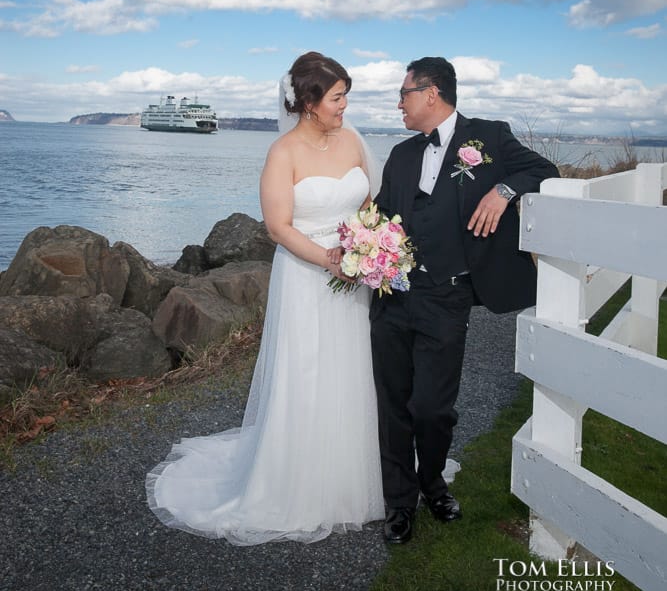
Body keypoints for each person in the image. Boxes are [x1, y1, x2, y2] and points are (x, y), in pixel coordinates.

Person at [146, 51, 384, 543]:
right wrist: (330, 259)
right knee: (306, 368)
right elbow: (278, 228)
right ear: (309, 102)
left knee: (349, 367)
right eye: (337, 98)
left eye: (346, 97)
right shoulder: (283, 153)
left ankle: (350, 477)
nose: (345, 106)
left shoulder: (355, 140)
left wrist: (367, 247)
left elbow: (367, 204)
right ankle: (294, 482)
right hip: (307, 273)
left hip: (350, 274)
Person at [371, 56, 559, 545]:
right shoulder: (400, 154)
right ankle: (399, 503)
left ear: (431, 94)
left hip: (447, 297)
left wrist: (502, 190)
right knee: (393, 404)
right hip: (394, 295)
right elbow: (384, 215)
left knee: (433, 407)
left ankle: (432, 482)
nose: (399, 104)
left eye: (404, 94)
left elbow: (543, 169)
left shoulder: (489, 136)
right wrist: (365, 246)